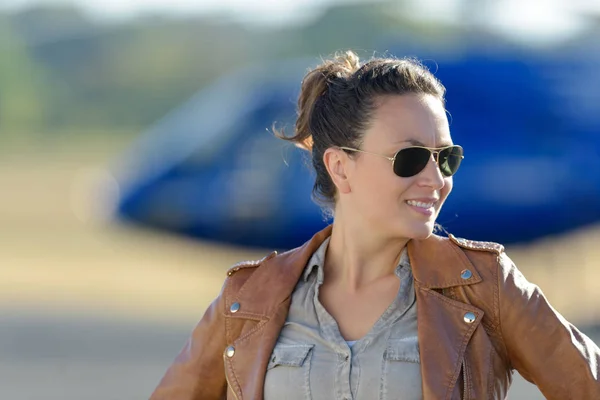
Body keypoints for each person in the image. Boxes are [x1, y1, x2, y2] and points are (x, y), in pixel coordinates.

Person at [149, 51, 600, 400]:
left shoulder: (485, 286)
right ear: (340, 168)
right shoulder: (247, 300)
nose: (437, 179)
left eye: (446, 158)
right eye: (409, 158)